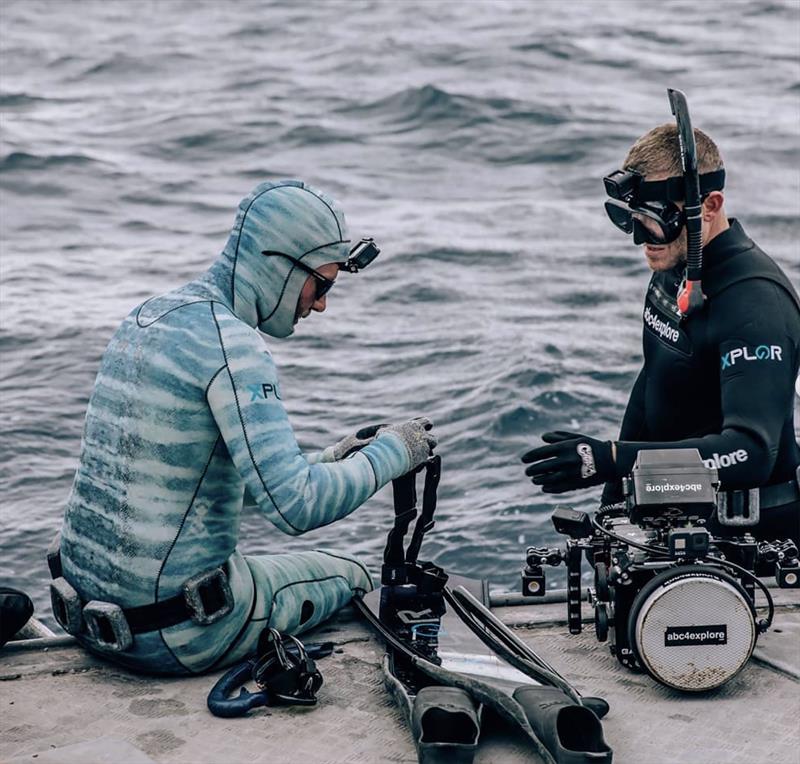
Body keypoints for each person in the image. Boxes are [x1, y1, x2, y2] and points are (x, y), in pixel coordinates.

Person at [49, 180, 436, 675]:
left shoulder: (148, 317)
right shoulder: (233, 347)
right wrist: (397, 453)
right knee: (351, 573)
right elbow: (296, 507)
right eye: (323, 284)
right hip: (179, 638)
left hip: (86, 620)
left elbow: (194, 485)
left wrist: (333, 457)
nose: (320, 305)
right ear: (279, 264)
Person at [522, 121, 800, 544]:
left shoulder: (756, 305)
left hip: (753, 536)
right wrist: (612, 502)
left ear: (709, 205)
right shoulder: (678, 268)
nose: (641, 239)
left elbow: (752, 452)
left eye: (654, 221)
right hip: (680, 521)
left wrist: (612, 459)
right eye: (632, 220)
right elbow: (655, 378)